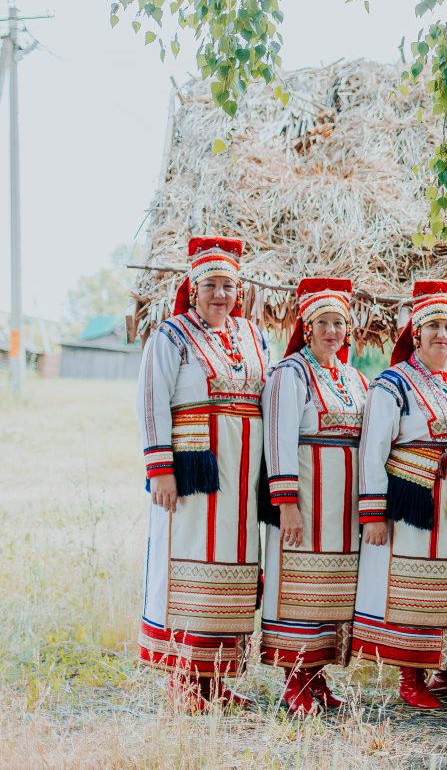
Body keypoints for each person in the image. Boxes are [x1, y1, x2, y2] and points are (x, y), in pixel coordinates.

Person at [351, 280, 447, 709]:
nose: (442, 334)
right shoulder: (392, 384)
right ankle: (410, 676)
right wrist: (374, 514)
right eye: (433, 326)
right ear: (415, 333)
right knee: (417, 585)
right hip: (418, 501)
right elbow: (373, 449)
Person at [136, 236, 270, 711]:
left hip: (241, 479)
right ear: (193, 289)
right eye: (210, 284)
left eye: (228, 286)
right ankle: (183, 680)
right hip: (194, 475)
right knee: (190, 564)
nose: (220, 294)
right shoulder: (170, 336)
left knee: (232, 572)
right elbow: (152, 402)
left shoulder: (255, 337)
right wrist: (161, 470)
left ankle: (215, 679)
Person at [261, 277, 368, 714]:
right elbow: (279, 439)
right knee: (299, 588)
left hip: (341, 508)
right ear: (306, 327)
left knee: (331, 591)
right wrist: (286, 504)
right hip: (306, 499)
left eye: (338, 322)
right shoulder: (290, 374)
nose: (331, 331)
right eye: (322, 322)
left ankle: (318, 676)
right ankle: (295, 681)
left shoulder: (355, 378)